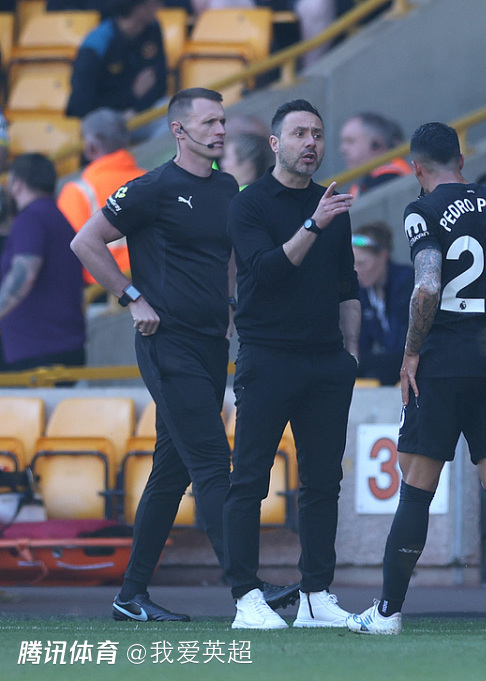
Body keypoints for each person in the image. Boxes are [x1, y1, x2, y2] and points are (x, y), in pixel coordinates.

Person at [71, 88, 296, 622]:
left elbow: (229, 257)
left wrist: (236, 306)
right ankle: (246, 590)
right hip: (166, 343)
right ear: (179, 131)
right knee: (214, 462)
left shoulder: (226, 187)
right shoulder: (151, 188)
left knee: (171, 472)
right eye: (210, 122)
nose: (221, 130)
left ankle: (130, 596)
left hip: (210, 343)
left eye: (222, 121)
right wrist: (132, 298)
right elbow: (86, 242)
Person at [346, 122, 486, 636]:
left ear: (416, 168)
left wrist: (411, 352)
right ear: (461, 159)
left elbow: (428, 287)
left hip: (444, 361)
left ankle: (387, 613)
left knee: (416, 489)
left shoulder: (423, 210)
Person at [224, 99, 360, 630]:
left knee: (323, 482)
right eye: (300, 133)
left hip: (326, 362)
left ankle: (316, 594)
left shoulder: (332, 205)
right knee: (250, 479)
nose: (311, 143)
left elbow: (347, 286)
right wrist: (313, 223)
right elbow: (267, 272)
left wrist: (350, 354)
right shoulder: (249, 204)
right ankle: (245, 596)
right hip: (268, 357)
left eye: (318, 134)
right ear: (276, 143)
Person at [0, 154, 85, 372]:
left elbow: (24, 274)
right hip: (58, 346)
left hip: (37, 353)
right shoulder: (57, 217)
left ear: (17, 184)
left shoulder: (31, 218)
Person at [57, 108, 145, 285]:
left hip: (104, 290)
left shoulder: (77, 191)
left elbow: (67, 254)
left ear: (91, 147)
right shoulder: (151, 181)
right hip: (154, 283)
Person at [66, 0, 167, 120]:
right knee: (102, 119)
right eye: (154, 3)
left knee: (171, 109)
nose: (160, 7)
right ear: (138, 8)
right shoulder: (97, 43)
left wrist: (136, 110)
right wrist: (131, 94)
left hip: (141, 114)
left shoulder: (153, 30)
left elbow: (160, 82)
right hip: (106, 116)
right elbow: (80, 105)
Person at [353, 221, 414, 386]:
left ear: (383, 256)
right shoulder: (363, 292)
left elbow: (403, 346)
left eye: (361, 263)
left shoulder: (407, 282)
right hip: (391, 368)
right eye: (353, 263)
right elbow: (361, 346)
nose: (355, 270)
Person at [339, 112, 412, 198]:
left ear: (376, 144)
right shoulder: (364, 182)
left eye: (350, 141)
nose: (342, 149)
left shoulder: (389, 177)